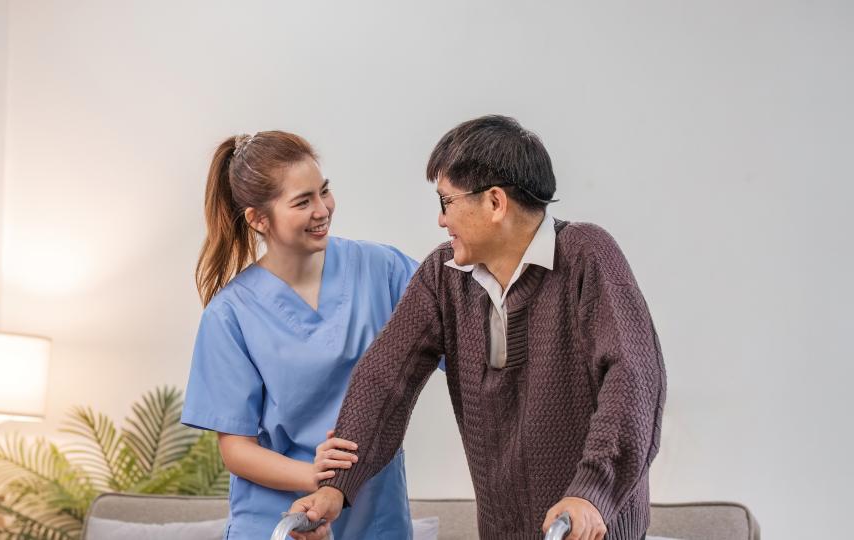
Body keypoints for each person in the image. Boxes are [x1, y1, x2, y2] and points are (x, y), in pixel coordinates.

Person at [290, 115, 667, 540]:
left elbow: (634, 378)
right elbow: (384, 380)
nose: (440, 220)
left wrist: (591, 492)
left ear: (494, 203)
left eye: (445, 202)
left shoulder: (586, 255)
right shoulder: (443, 275)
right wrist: (336, 488)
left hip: (592, 528)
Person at [181, 130, 416, 539]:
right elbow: (236, 450)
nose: (323, 209)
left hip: (375, 516)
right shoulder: (231, 315)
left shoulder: (383, 269)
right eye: (302, 202)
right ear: (258, 219)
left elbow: (465, 328)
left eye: (324, 192)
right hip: (278, 517)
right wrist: (318, 479)